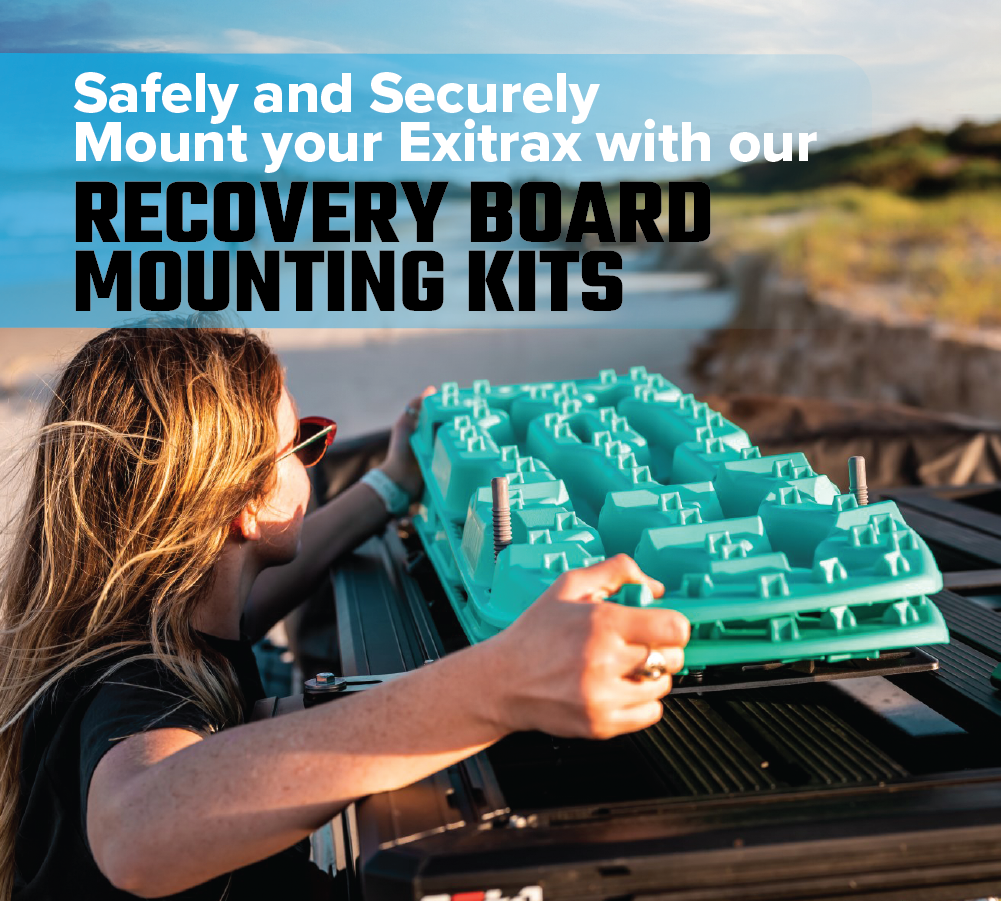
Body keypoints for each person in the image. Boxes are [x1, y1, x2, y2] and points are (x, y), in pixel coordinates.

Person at [0, 326, 690, 900]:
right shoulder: (139, 676)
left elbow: (263, 589)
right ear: (243, 503)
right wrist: (496, 686)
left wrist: (388, 484)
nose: (313, 457)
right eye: (302, 443)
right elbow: (136, 830)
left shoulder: (163, 612)